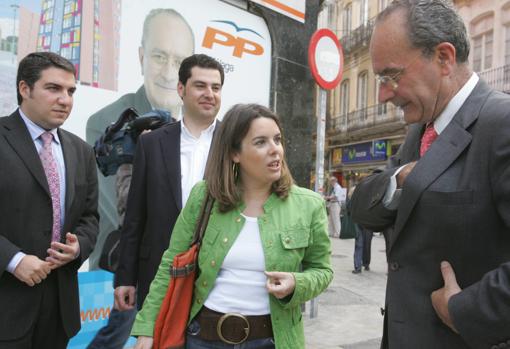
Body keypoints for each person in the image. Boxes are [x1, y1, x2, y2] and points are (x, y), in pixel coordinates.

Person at [350, 0, 510, 347]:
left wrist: (465, 310)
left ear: (444, 58)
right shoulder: (419, 133)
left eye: (391, 76)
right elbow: (361, 206)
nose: (381, 95)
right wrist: (399, 179)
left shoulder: (502, 125)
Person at [131, 103, 333, 349]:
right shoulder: (204, 197)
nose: (275, 150)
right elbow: (170, 264)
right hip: (203, 338)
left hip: (272, 339)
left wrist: (296, 284)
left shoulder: (308, 205)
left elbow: (322, 270)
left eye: (277, 139)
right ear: (234, 153)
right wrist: (147, 328)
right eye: (261, 142)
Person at [86, 9, 194, 348]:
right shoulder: (113, 123)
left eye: (179, 60)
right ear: (141, 57)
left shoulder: (196, 134)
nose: (167, 70)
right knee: (120, 333)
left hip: (185, 266)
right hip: (138, 265)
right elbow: (122, 219)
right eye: (160, 56)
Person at [114, 54, 224, 318]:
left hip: (219, 275)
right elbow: (135, 216)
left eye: (216, 87)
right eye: (200, 85)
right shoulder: (152, 144)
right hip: (159, 270)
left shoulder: (235, 143)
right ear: (181, 89)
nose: (209, 93)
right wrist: (125, 276)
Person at [0, 52, 98, 348]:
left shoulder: (81, 151)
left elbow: (90, 218)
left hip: (59, 309)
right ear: (24, 89)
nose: (65, 99)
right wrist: (12, 260)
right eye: (53, 89)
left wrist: (79, 245)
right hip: (6, 305)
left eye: (70, 91)